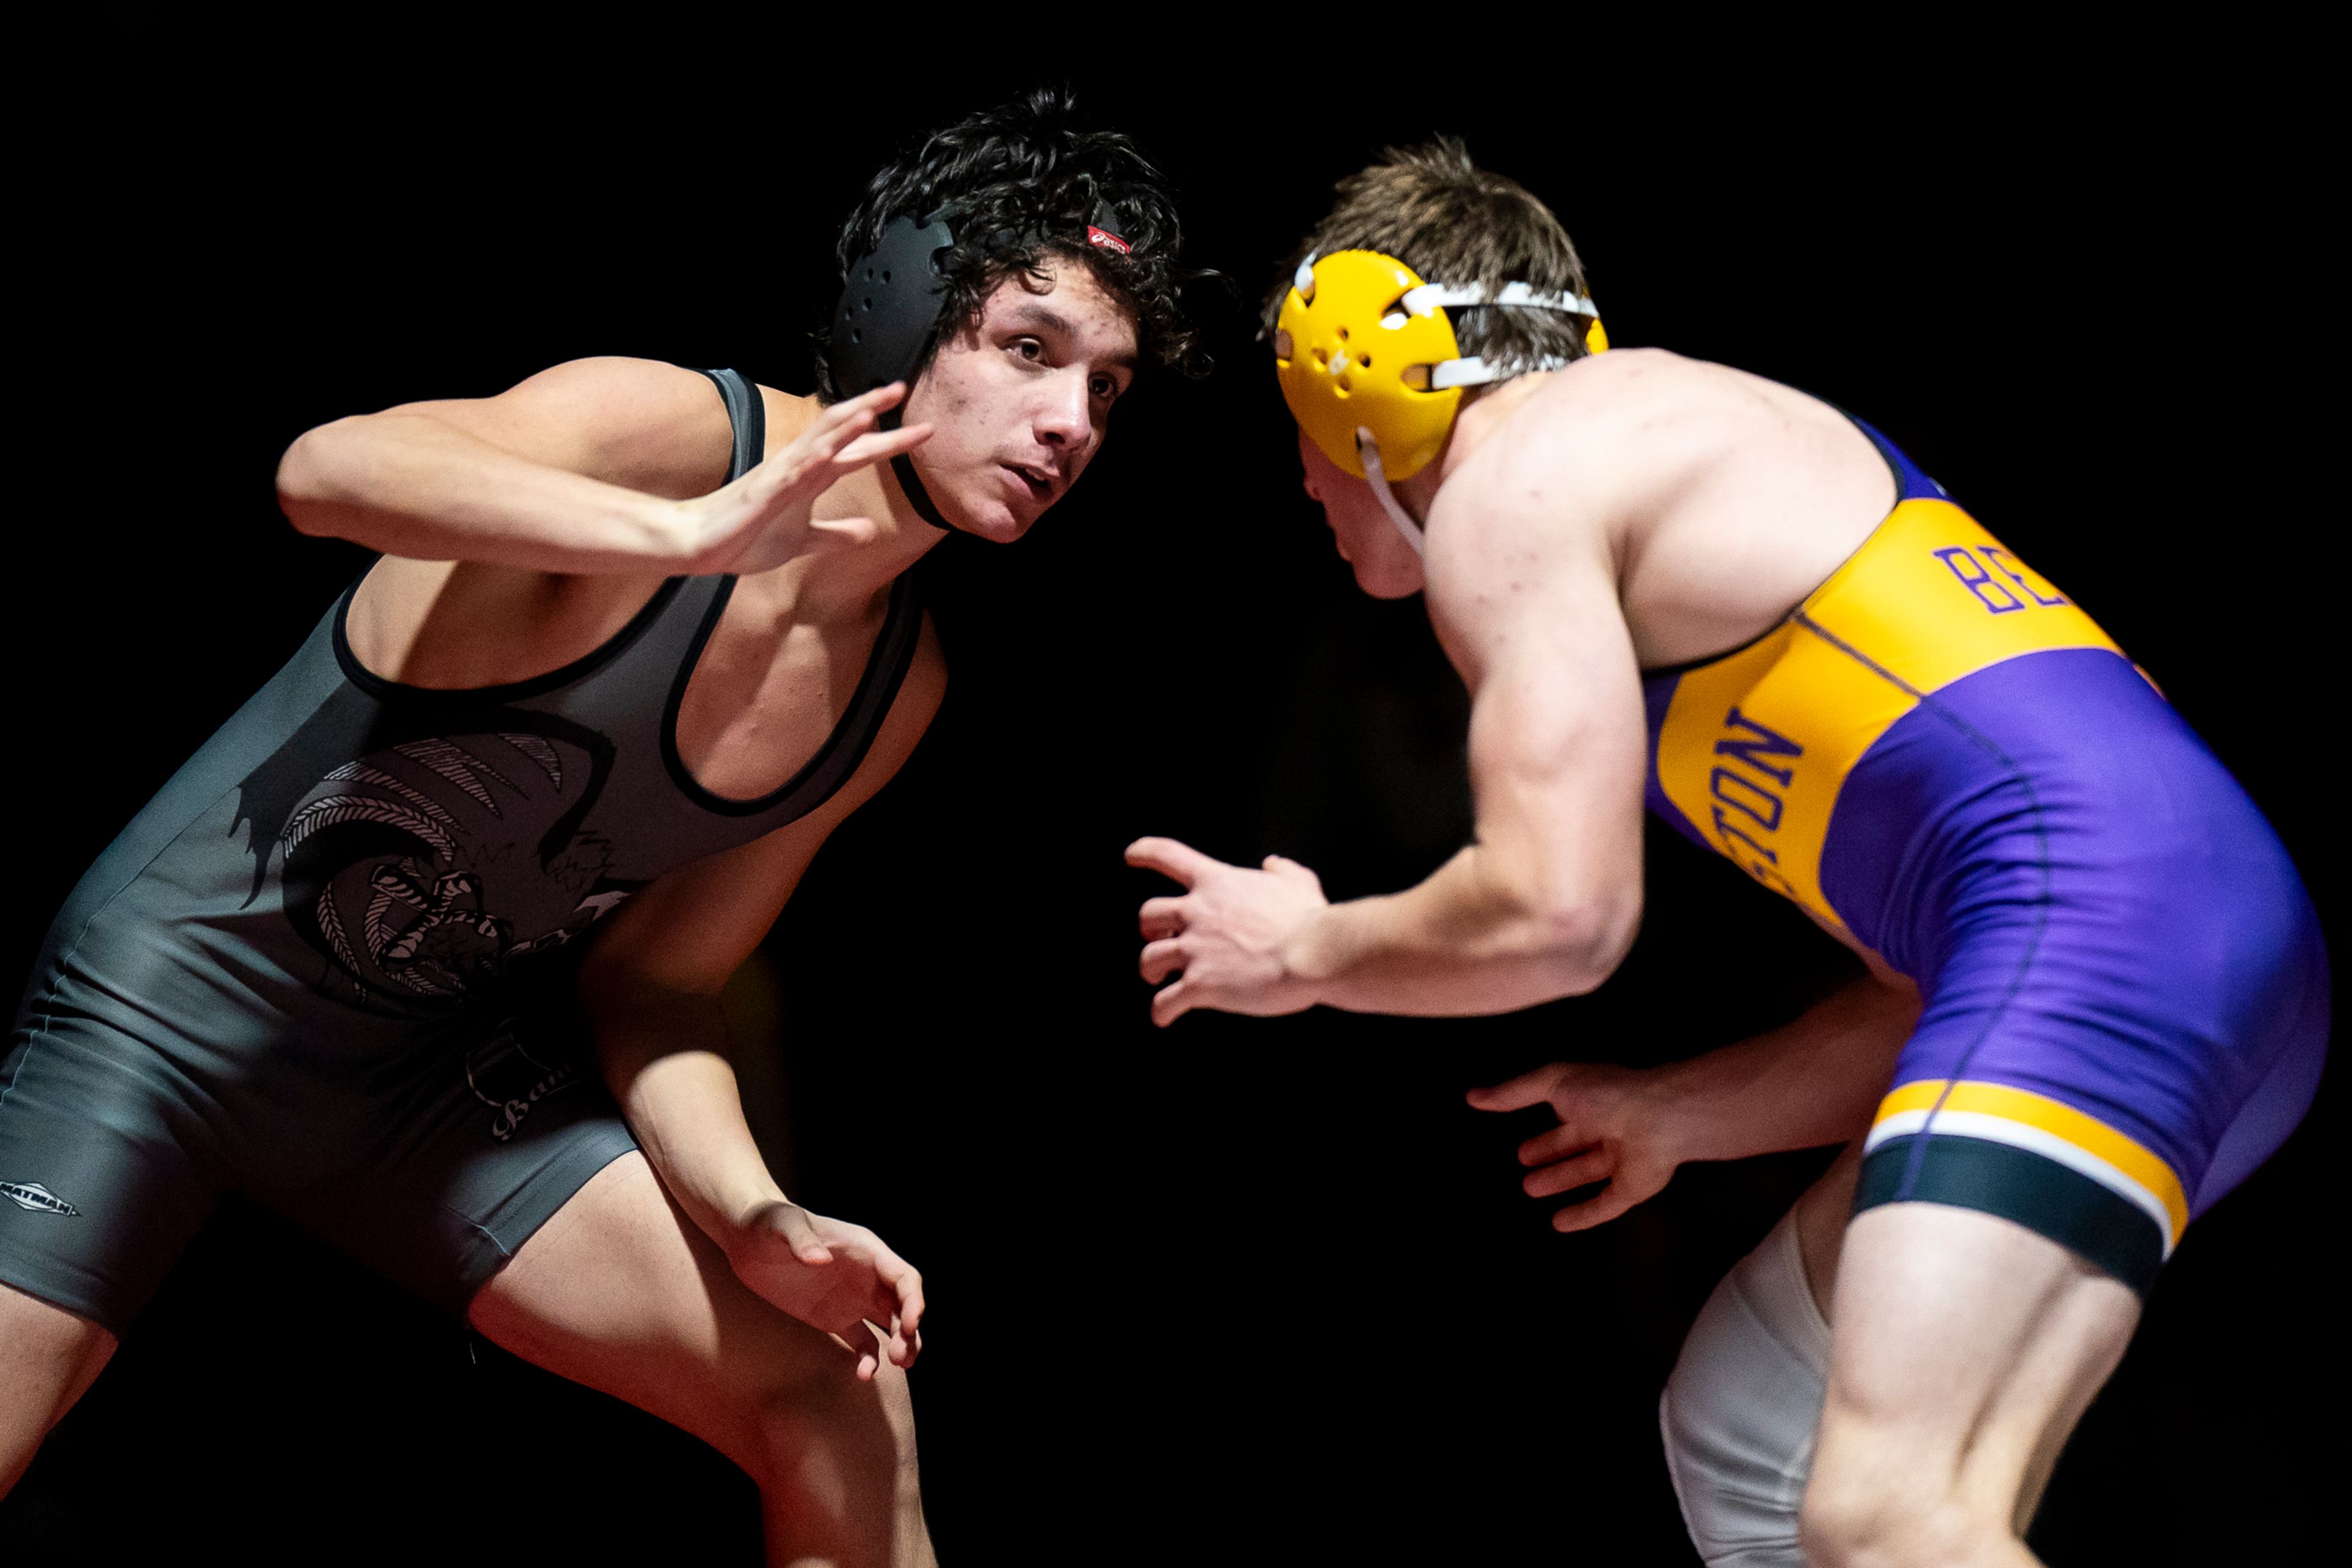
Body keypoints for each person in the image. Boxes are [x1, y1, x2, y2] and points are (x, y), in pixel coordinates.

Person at [2, 89, 1196, 1566]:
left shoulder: (898, 682)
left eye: (1108, 388)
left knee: (839, 1393)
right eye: (1029, 351)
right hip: (172, 1010)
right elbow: (325, 469)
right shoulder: (673, 432)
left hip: (418, 1089)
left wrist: (758, 1215)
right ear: (908, 314)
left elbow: (660, 983)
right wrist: (683, 538)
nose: (1071, 423)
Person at [1126, 142, 2325, 1566]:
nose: (1305, 481)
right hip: (2219, 942)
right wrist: (1688, 1111)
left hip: (2107, 923)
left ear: (1361, 381)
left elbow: (1560, 912)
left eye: (1300, 422)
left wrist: (1308, 950)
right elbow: (1921, 983)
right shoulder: (1663, 472)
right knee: (1756, 1426)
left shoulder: (1517, 485)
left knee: (1891, 1507)